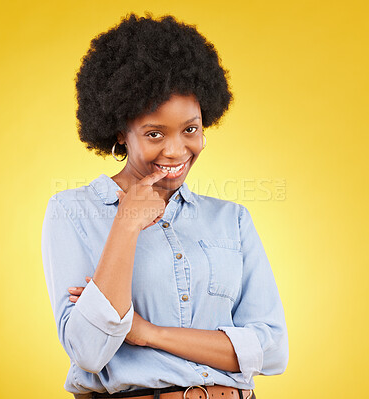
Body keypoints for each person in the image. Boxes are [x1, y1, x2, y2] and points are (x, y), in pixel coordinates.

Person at [41, 12, 288, 399]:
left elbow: (272, 350)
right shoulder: (73, 212)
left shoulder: (232, 220)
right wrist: (125, 224)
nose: (176, 150)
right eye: (155, 133)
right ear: (121, 133)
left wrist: (147, 333)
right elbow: (89, 351)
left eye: (190, 129)